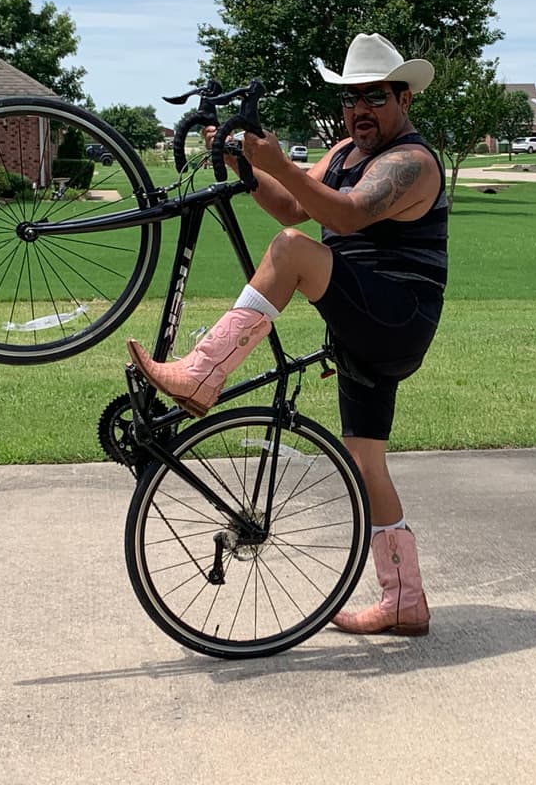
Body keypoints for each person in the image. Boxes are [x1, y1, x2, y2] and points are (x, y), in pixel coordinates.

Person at [126, 32, 447, 636]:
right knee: (365, 464)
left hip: (397, 316)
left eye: (374, 97)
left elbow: (344, 215)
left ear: (404, 98)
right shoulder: (348, 150)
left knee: (292, 254)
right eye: (350, 99)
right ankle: (406, 601)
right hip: (364, 320)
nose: (360, 110)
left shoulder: (412, 162)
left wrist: (278, 164)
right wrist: (241, 165)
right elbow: (293, 204)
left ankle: (202, 373)